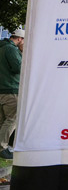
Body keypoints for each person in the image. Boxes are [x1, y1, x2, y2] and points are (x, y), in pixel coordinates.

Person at [0, 28, 25, 159]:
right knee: (12, 119)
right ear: (20, 39)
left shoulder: (2, 47)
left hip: (1, 89)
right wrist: (21, 53)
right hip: (11, 89)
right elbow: (18, 67)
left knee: (3, 120)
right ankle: (2, 147)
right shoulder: (11, 49)